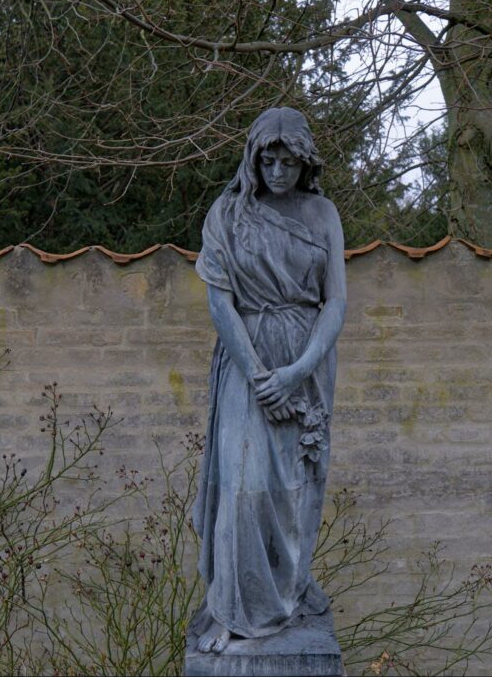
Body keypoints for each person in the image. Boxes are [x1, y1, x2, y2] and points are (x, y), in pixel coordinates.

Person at [190, 107, 347, 654]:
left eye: (289, 161)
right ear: (253, 160)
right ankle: (234, 612)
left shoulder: (323, 213)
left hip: (305, 363)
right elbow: (220, 302)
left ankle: (288, 594)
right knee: (242, 489)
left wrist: (297, 373)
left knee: (294, 490)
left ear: (306, 163)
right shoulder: (227, 214)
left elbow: (336, 302)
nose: (278, 171)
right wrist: (261, 378)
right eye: (268, 159)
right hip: (245, 362)